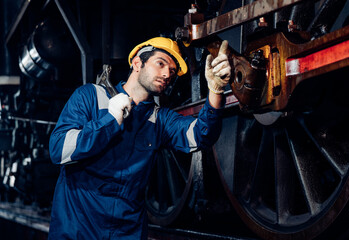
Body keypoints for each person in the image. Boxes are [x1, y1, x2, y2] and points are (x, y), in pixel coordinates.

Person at [48, 37, 231, 239]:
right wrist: (110, 120)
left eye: (171, 71)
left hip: (126, 232)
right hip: (78, 228)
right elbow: (59, 150)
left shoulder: (159, 119)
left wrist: (216, 91)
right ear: (137, 63)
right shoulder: (90, 96)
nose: (166, 74)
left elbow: (200, 135)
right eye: (160, 63)